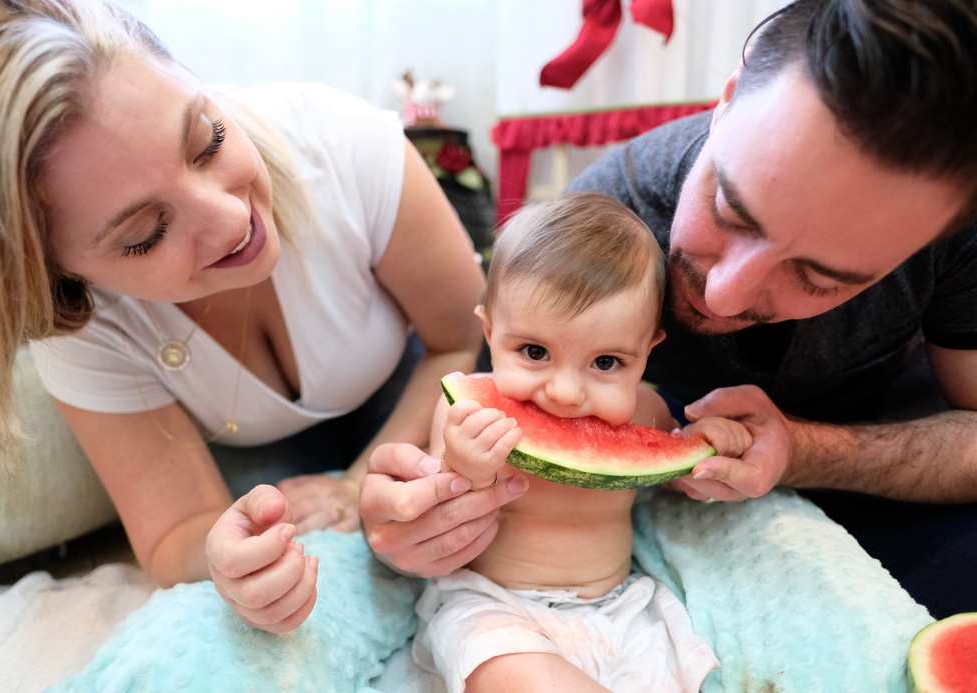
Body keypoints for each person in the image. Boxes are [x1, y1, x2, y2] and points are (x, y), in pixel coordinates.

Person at [359, 0, 977, 620]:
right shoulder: (586, 235)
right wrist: (401, 520)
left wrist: (808, 450)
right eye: (729, 211)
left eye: (817, 277)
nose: (722, 296)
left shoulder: (960, 233)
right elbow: (457, 407)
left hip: (881, 434)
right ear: (726, 100)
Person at [0, 0, 485, 633]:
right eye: (144, 235)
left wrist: (358, 484)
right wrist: (228, 559)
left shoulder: (343, 141)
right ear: (62, 279)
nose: (232, 222)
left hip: (417, 383)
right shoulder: (81, 324)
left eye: (209, 142)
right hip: (262, 466)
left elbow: (463, 341)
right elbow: (176, 532)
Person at [412, 192, 750, 692]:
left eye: (607, 363)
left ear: (647, 351)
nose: (566, 393)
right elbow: (434, 507)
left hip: (625, 609)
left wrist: (709, 451)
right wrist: (463, 465)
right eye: (534, 351)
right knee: (507, 670)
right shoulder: (465, 412)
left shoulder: (650, 415)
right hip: (492, 605)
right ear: (489, 331)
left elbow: (678, 480)